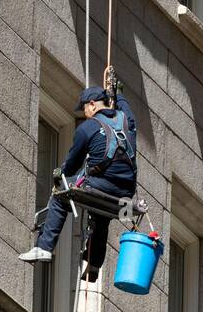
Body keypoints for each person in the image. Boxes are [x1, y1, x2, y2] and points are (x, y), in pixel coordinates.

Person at [19, 67, 137, 283]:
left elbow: (72, 166)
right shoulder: (126, 120)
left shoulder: (88, 128)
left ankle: (44, 247)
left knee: (60, 194)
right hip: (125, 193)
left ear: (93, 105)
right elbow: (124, 104)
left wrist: (60, 173)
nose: (84, 114)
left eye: (85, 109)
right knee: (102, 218)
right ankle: (93, 265)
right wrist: (118, 93)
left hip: (99, 185)